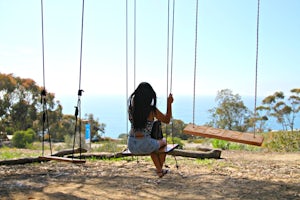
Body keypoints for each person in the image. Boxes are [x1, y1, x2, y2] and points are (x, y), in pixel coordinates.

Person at [128, 82, 174, 178]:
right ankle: (159, 170)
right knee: (163, 142)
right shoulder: (151, 110)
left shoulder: (131, 109)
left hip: (131, 144)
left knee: (154, 145)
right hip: (146, 144)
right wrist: (169, 104)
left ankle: (160, 171)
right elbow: (167, 120)